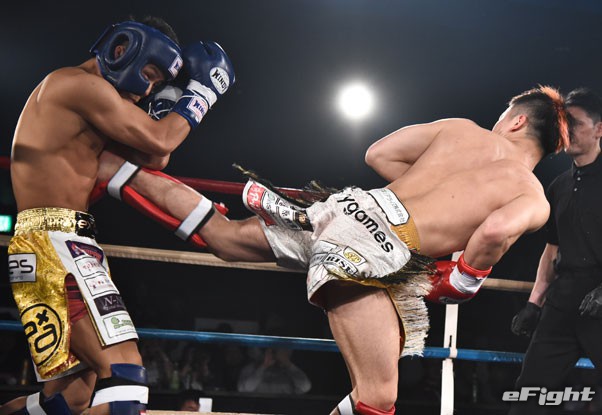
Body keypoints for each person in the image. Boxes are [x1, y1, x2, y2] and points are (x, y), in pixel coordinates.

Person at [95, 85, 569, 415]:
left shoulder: (460, 129)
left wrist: (426, 191)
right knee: (378, 398)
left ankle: (111, 168)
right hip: (375, 250)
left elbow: (378, 154)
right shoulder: (531, 196)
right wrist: (463, 280)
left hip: (347, 208)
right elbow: (494, 232)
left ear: (517, 120)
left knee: (225, 237)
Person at [1, 15, 235, 415]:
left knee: (67, 400)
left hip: (62, 245)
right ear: (123, 49)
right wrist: (202, 92)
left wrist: (167, 105)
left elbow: (156, 157)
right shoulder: (78, 85)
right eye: (149, 76)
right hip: (54, 245)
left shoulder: (94, 105)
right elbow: (161, 139)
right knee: (125, 382)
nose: (146, 91)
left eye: (156, 86)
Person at [509, 88, 602, 414]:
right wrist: (534, 304)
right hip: (562, 304)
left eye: (576, 123)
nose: (568, 130)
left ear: (599, 129)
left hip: (600, 301)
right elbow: (552, 250)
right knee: (528, 396)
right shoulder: (559, 185)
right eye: (564, 122)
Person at [237, 346, 312, 395]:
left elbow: (305, 387)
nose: (275, 355)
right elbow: (244, 389)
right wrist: (263, 366)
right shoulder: (252, 367)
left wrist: (288, 364)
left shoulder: (291, 371)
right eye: (272, 351)